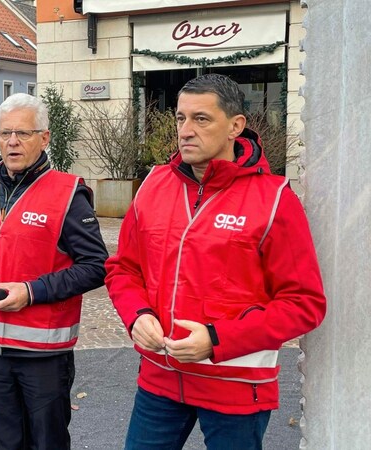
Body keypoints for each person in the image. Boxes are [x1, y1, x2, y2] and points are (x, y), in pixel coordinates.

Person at [104, 73, 327, 449]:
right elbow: (123, 269)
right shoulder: (153, 185)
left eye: (201, 119)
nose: (186, 130)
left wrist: (216, 340)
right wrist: (137, 314)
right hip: (160, 378)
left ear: (235, 126)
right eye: (180, 119)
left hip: (236, 388)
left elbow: (304, 304)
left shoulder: (274, 199)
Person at [0, 93, 108, 449]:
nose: (12, 142)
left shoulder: (68, 193)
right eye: (4, 133)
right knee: (8, 443)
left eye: (23, 134)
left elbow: (97, 266)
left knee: (47, 443)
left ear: (44, 138)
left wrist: (31, 291)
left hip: (44, 353)